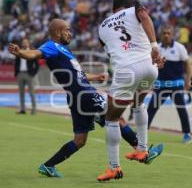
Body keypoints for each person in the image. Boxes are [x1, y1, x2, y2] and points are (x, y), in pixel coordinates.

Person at [9, 18, 163, 179]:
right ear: (56, 32)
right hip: (85, 95)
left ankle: (48, 166)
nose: (70, 33)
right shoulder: (51, 46)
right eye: (66, 30)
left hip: (77, 98)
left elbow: (78, 74)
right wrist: (20, 53)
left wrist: (96, 76)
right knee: (116, 118)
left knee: (80, 140)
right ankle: (141, 150)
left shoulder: (63, 50)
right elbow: (34, 53)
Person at [97, 0, 165, 181]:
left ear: (113, 9)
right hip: (150, 67)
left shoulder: (102, 27)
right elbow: (144, 17)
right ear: (129, 5)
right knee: (138, 104)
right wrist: (155, 47)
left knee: (111, 117)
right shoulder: (135, 10)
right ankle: (142, 150)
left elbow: (111, 51)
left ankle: (114, 168)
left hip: (126, 70)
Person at [147, 25, 192, 144]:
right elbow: (151, 65)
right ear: (160, 35)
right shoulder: (156, 49)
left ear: (172, 35)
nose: (166, 35)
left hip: (176, 84)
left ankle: (187, 133)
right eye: (164, 33)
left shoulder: (179, 48)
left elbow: (187, 65)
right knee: (151, 108)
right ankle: (142, 132)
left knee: (181, 109)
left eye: (168, 33)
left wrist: (188, 80)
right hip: (160, 84)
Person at [14, 38, 39, 114]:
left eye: (26, 42)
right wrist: (16, 73)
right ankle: (22, 109)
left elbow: (37, 65)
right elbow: (16, 63)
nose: (24, 44)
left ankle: (34, 110)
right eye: (23, 42)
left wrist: (33, 73)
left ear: (28, 43)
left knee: (31, 92)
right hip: (20, 74)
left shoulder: (32, 51)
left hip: (29, 74)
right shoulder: (18, 51)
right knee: (21, 93)